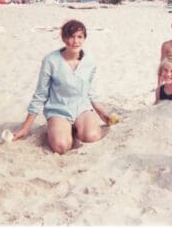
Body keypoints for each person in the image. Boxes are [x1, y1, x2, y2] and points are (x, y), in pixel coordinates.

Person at [13, 20, 111, 154]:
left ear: (84, 38)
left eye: (79, 37)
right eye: (71, 36)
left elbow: (90, 90)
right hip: (58, 109)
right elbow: (40, 95)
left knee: (91, 137)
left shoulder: (90, 60)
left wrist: (102, 113)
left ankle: (76, 128)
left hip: (81, 108)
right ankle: (60, 128)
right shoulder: (50, 61)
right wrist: (25, 128)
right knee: (61, 146)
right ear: (64, 38)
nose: (75, 41)